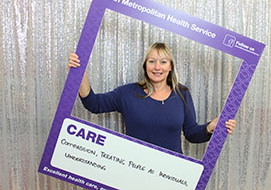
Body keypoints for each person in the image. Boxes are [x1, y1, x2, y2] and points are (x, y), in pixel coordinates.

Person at [67, 42, 236, 154]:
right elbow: (94, 104)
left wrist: (210, 127)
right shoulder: (128, 93)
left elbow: (191, 134)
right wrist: (79, 73)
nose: (157, 67)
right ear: (145, 65)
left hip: (171, 175)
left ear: (170, 67)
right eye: (152, 61)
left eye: (163, 62)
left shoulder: (182, 94)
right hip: (134, 172)